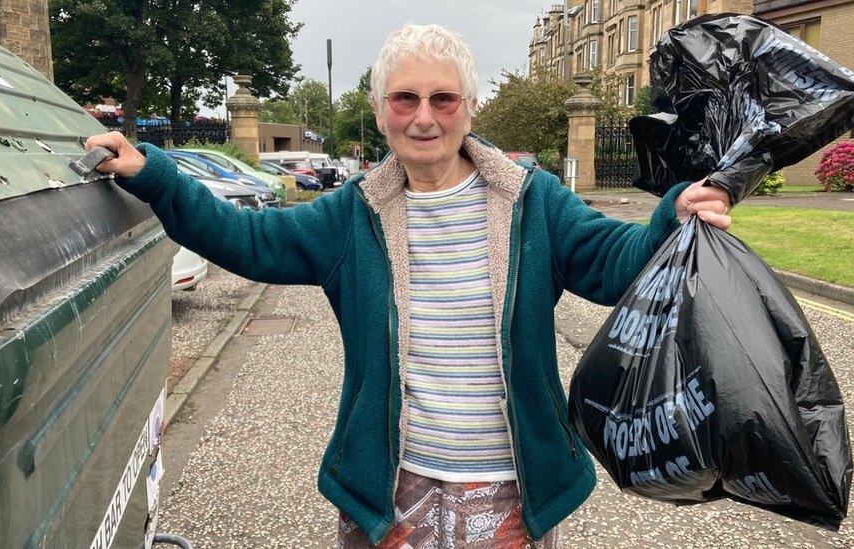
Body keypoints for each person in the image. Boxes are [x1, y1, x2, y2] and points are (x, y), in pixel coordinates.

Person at [86, 23, 731, 549]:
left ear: (468, 109)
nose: (425, 117)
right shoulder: (351, 216)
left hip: (510, 492)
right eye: (405, 99)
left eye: (443, 99)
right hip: (392, 493)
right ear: (381, 111)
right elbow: (249, 241)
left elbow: (616, 260)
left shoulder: (535, 205)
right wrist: (158, 177)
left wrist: (669, 219)